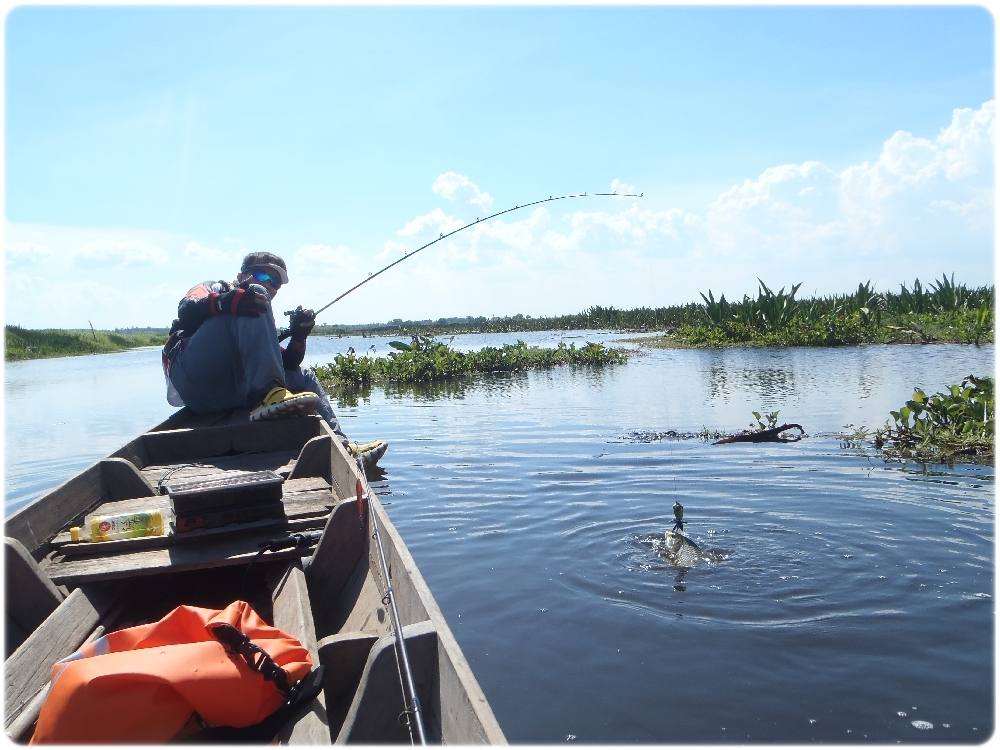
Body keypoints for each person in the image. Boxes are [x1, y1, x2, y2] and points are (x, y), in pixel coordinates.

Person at [161, 251, 387, 469]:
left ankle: (341, 446)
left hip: (228, 393)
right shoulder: (218, 289)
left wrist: (299, 336)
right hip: (191, 379)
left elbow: (287, 364)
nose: (269, 285)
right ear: (241, 275)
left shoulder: (253, 315)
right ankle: (268, 394)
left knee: (304, 376)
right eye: (262, 275)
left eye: (276, 283)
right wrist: (224, 302)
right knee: (254, 295)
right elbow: (186, 309)